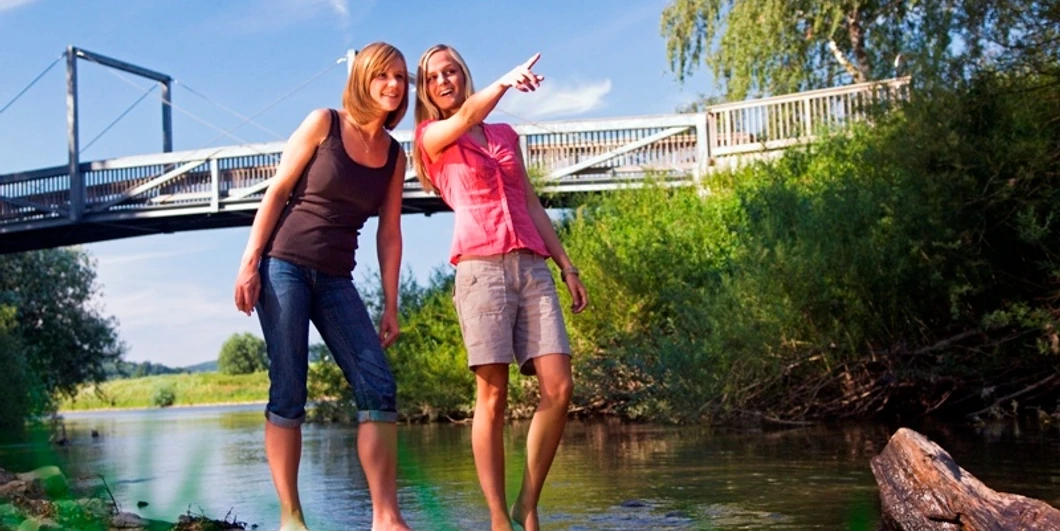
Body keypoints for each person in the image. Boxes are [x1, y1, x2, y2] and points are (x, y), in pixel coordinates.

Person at [233, 42, 412, 531]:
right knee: (290, 386)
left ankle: (385, 517)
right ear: (362, 80)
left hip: (337, 278)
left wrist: (391, 302)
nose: (393, 85)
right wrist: (250, 263)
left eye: (400, 78)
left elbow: (390, 231)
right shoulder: (324, 123)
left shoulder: (395, 156)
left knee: (378, 385)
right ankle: (292, 517)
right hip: (284, 265)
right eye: (383, 76)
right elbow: (277, 190)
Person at [412, 45, 589, 531]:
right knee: (492, 395)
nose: (444, 81)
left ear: (463, 74)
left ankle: (526, 504)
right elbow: (470, 112)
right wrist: (506, 81)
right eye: (432, 77)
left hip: (532, 268)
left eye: (451, 71)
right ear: (426, 92)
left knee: (559, 385)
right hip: (480, 269)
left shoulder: (505, 134)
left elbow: (530, 203)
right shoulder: (431, 137)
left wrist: (567, 265)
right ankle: (497, 518)